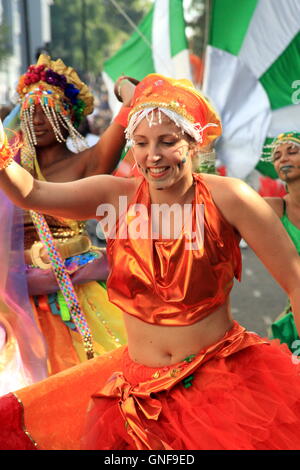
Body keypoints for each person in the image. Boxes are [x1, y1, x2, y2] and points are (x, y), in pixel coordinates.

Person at [1, 74, 300, 450]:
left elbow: (295, 279)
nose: (152, 156)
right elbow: (32, 191)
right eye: (141, 143)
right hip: (137, 397)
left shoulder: (231, 198)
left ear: (192, 143)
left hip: (220, 386)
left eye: (167, 142)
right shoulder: (115, 195)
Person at [0, 54, 135, 394]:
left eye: (47, 108)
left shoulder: (89, 162)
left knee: (91, 389)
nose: (36, 118)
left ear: (68, 115)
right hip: (15, 298)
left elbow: (137, 104)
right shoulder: (11, 171)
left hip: (77, 293)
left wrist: (123, 86)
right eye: (29, 110)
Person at [264, 132, 300, 350]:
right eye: (277, 156)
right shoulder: (275, 209)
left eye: (292, 152)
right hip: (294, 320)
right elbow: (220, 209)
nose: (283, 159)